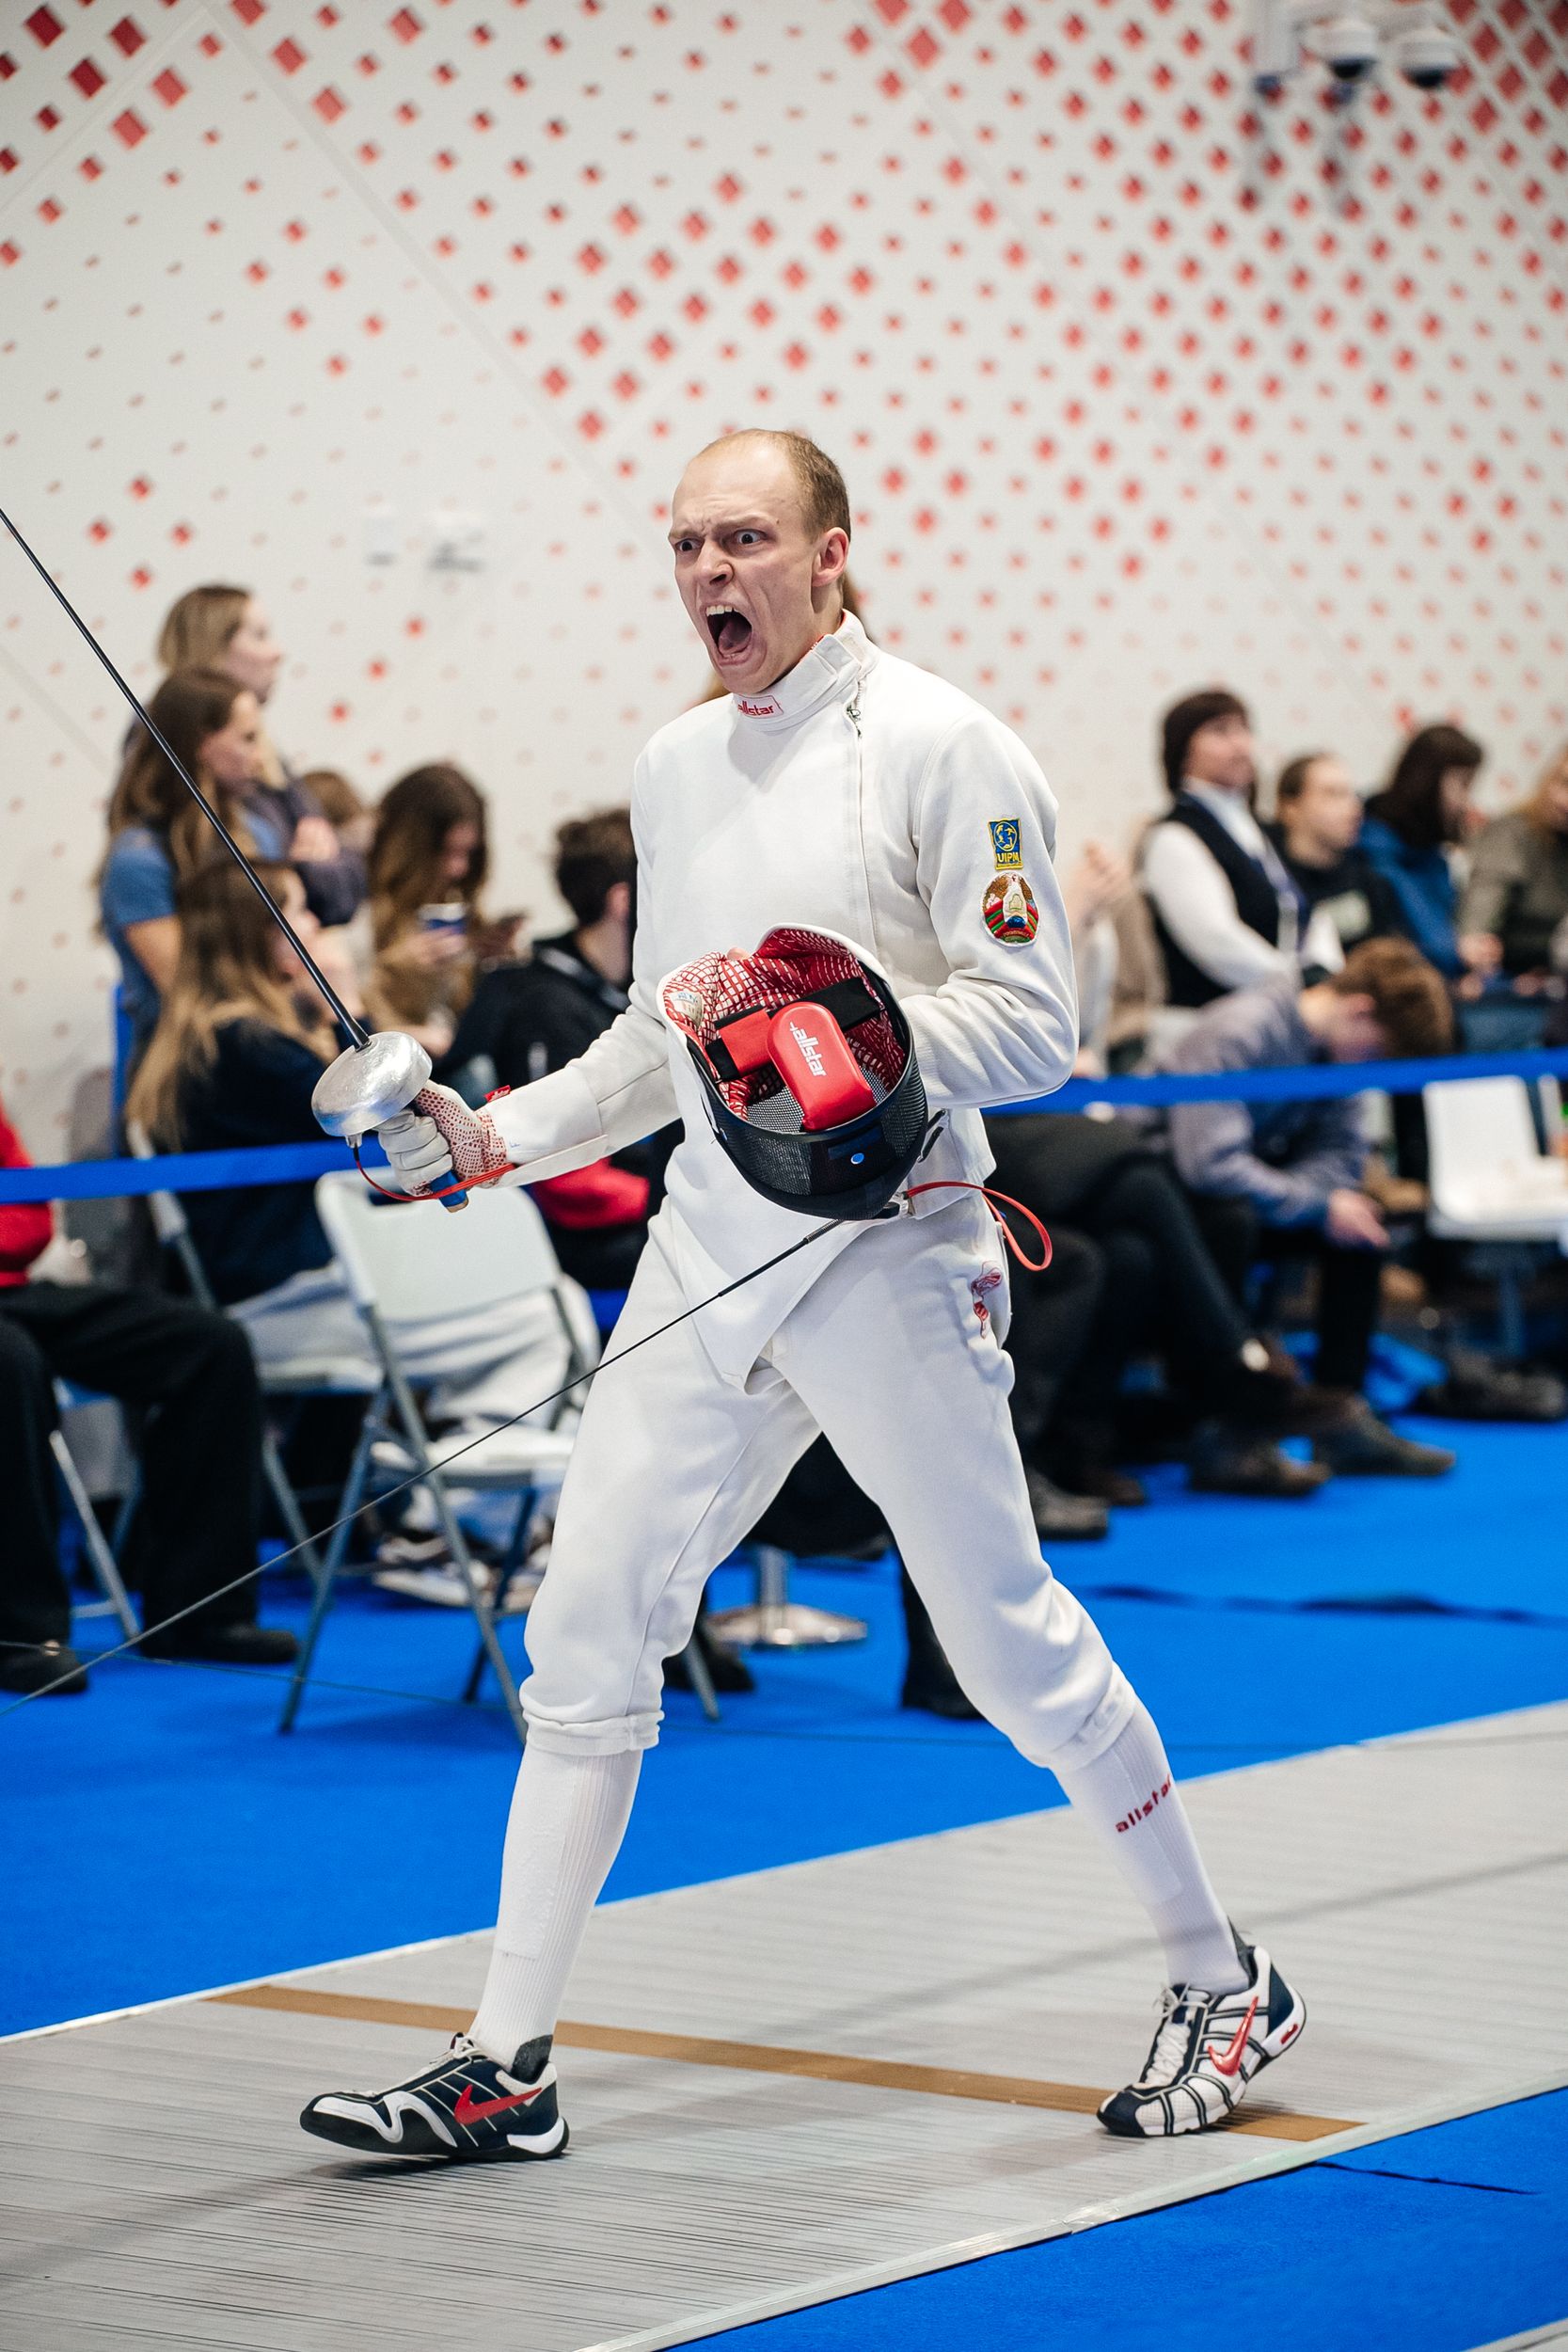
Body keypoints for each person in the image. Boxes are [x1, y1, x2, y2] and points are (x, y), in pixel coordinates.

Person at [299, 428, 1307, 2161]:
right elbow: (655, 1042)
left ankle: (1223, 1976)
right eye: (686, 544)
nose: (710, 572)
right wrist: (494, 1140)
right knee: (585, 1629)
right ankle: (506, 2059)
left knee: (1002, 1645)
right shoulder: (673, 763)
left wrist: (842, 1027)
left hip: (892, 1244)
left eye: (746, 539)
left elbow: (1034, 1023)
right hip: (707, 1248)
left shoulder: (943, 743)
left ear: (829, 552)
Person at [126, 859, 596, 1475]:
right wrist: (345, 1000)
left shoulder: (205, 1040)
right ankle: (458, 1498)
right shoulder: (244, 1046)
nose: (315, 926)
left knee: (546, 1306)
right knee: (545, 1315)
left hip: (283, 1284)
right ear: (260, 935)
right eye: (299, 911)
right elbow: (388, 1106)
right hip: (285, 1298)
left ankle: (455, 1480)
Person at [0, 1087, 297, 1693]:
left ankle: (201, 1613)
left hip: (14, 1290)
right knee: (10, 1363)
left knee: (210, 1346)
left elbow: (31, 1215)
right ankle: (22, 1636)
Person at [1152, 939, 1459, 1479]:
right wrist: (1316, 1203)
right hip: (1170, 1203)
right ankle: (1226, 1429)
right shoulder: (1240, 1030)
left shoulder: (1336, 1051)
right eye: (1376, 1052)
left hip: (1251, 1193)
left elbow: (1342, 1157)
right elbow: (1209, 1167)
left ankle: (1340, 1418)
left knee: (1360, 1223)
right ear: (1359, 1010)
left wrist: (1325, 1205)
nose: (1371, 1069)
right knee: (1230, 1218)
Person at [988, 1113, 1355, 1504]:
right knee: (1142, 1187)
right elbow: (1210, 1162)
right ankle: (1241, 1368)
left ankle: (1078, 1451)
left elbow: (1346, 1157)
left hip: (1069, 1151)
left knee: (1134, 1257)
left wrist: (1321, 1197)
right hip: (993, 1153)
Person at [443, 808, 673, 1292]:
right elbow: (570, 1189)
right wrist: (681, 1199)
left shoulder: (618, 992)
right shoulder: (546, 1004)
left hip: (639, 1211)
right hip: (582, 1241)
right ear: (625, 900)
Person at [99, 669, 291, 1068]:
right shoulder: (138, 860)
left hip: (269, 1035)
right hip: (189, 1063)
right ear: (203, 744)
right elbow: (187, 994)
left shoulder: (258, 833)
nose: (261, 759)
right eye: (248, 739)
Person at [154, 583, 364, 927]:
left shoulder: (264, 748)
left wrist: (306, 870)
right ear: (213, 647)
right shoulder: (163, 740)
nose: (278, 652)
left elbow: (343, 887)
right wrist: (303, 869)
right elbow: (241, 895)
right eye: (260, 636)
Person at [1140, 689, 1338, 1038]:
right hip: (1207, 1030)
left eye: (1244, 729)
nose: (1240, 745)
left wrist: (1326, 976)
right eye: (1220, 731)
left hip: (1279, 1017)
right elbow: (1216, 941)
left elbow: (1307, 913)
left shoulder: (1260, 831)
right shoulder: (1173, 837)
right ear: (1182, 750)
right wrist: (1299, 983)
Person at [353, 764, 521, 1061]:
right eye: (446, 852)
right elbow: (343, 1023)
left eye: (468, 853)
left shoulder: (455, 904)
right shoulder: (358, 909)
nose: (459, 868)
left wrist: (488, 965)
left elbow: (459, 1018)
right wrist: (394, 969)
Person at [1359, 723, 1489, 983]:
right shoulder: (1374, 848)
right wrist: (1460, 954)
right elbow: (1428, 944)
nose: (1466, 802)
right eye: (1463, 785)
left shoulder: (1433, 852)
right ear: (1429, 781)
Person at [1268, 752, 1404, 961]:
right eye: (1333, 794)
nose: (1354, 808)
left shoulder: (1371, 879)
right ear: (1290, 807)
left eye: (1352, 795)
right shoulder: (1266, 880)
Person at [1458, 741, 1568, 983]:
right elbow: (1482, 908)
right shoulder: (1512, 834)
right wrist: (1475, 946)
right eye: (1563, 782)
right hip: (1505, 976)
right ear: (1548, 779)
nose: (1564, 800)